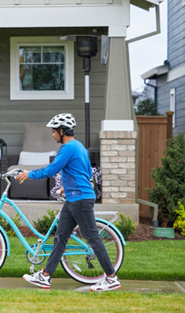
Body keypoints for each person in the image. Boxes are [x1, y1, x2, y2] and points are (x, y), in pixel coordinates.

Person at [16, 113, 121, 292]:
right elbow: (86, 173)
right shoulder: (80, 147)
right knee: (60, 238)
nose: (52, 135)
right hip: (74, 197)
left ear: (62, 131)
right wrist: (67, 187)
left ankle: (111, 278)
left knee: (93, 239)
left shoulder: (67, 148)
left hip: (80, 199)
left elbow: (51, 170)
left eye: (54, 131)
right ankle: (45, 276)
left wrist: (29, 174)